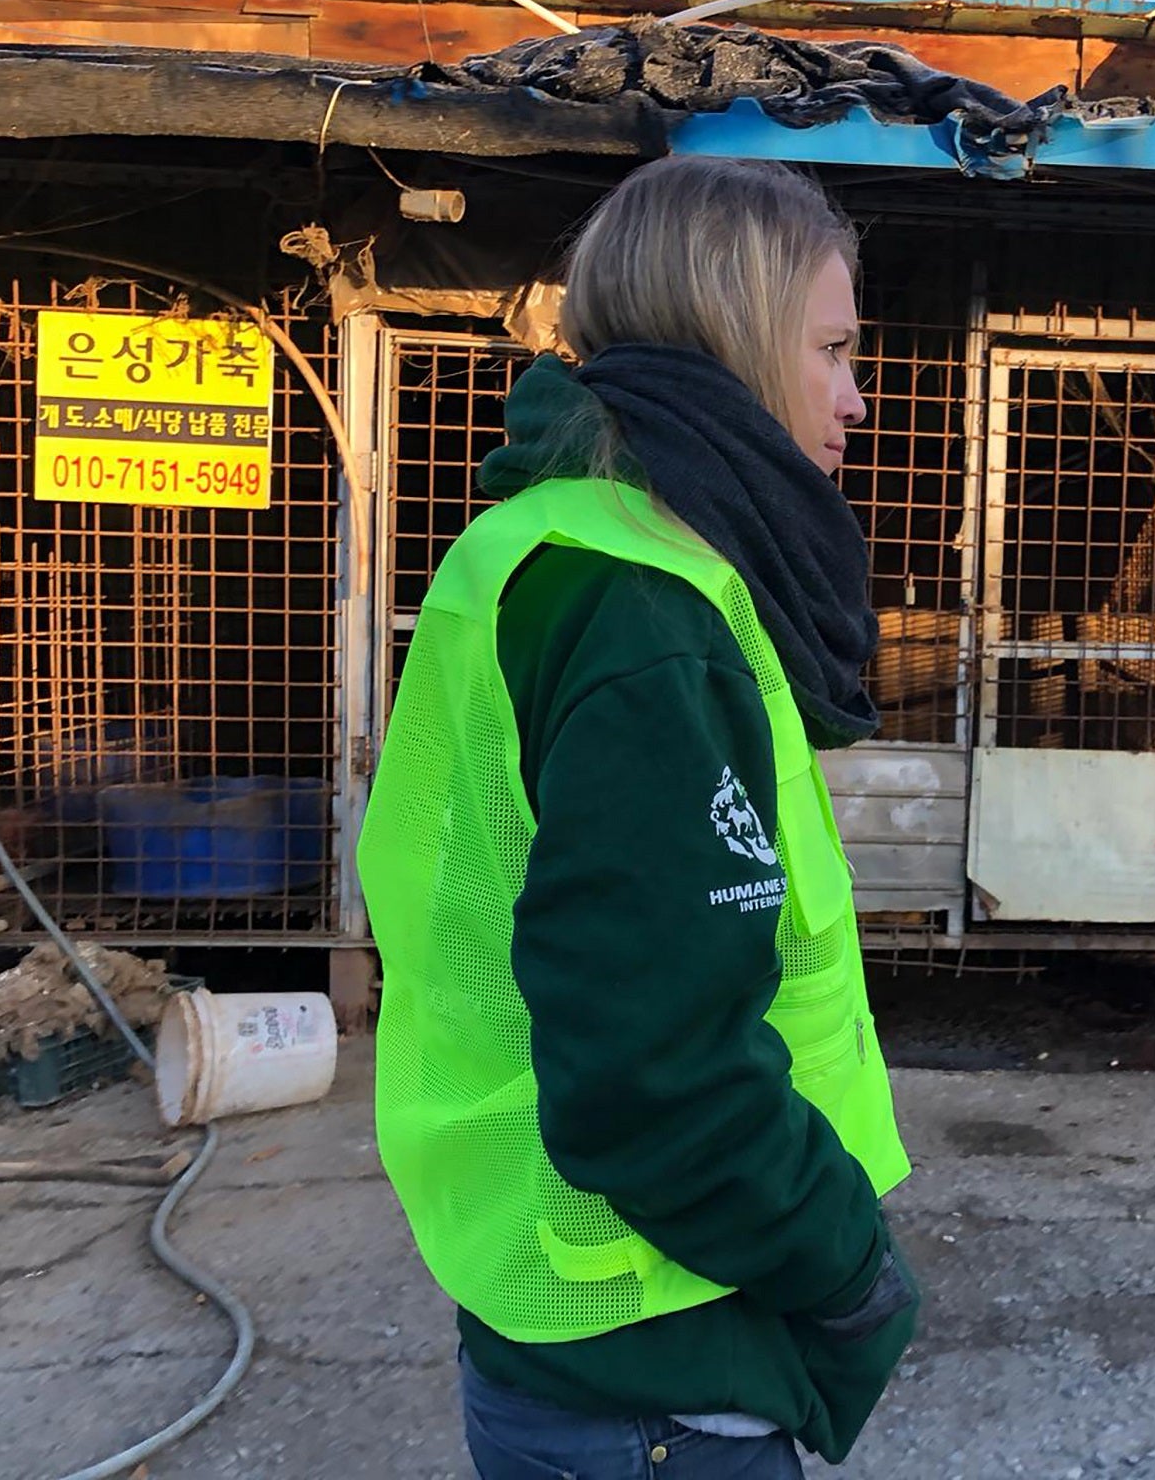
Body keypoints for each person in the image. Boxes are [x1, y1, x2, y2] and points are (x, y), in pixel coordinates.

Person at [358, 155, 918, 1480]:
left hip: (564, 1325)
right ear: (733, 334)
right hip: (657, 1357)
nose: (855, 395)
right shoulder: (647, 612)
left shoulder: (552, 543)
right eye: (833, 350)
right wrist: (845, 1263)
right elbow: (655, 1082)